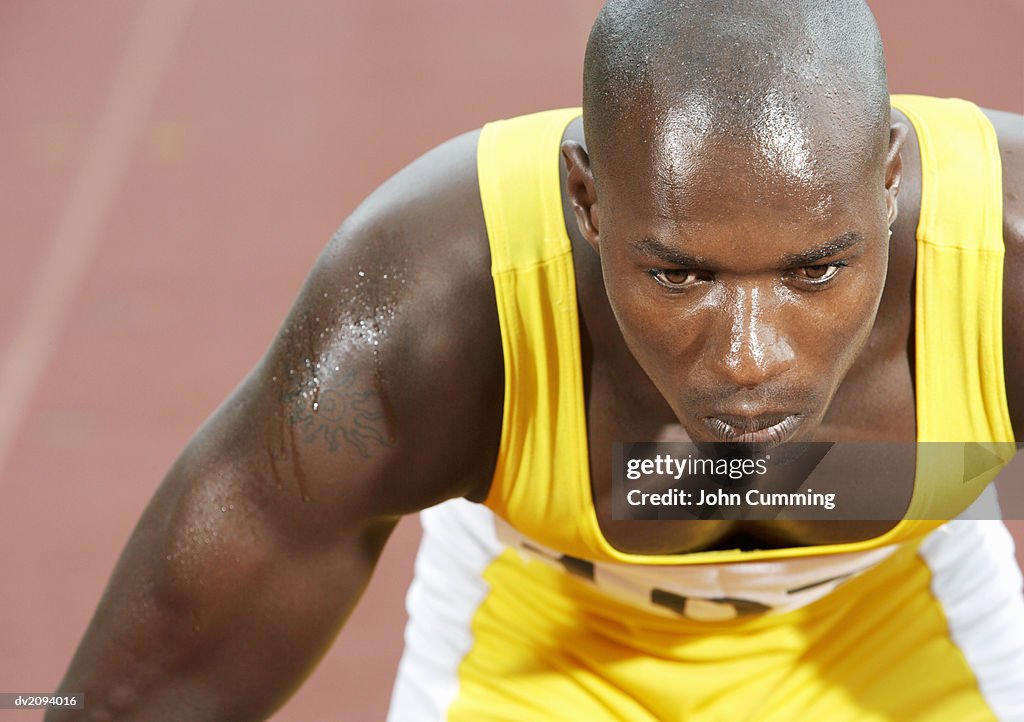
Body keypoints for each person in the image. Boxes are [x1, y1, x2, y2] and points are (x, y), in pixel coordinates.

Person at [51, 0, 1024, 719]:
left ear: (889, 176)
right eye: (680, 275)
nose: (747, 359)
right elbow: (140, 694)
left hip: (897, 619)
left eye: (815, 269)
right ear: (586, 200)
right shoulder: (430, 314)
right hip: (546, 645)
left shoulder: (1003, 264)